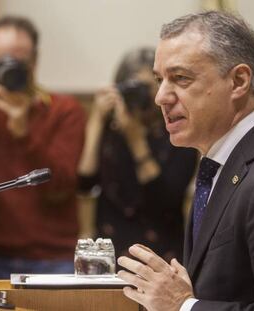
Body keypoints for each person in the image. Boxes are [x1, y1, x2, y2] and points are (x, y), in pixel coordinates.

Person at [117, 11, 254, 311]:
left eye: (180, 78)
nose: (160, 97)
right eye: (160, 80)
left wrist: (183, 306)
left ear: (238, 81)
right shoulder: (220, 167)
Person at [0, 16, 85, 278]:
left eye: (19, 60)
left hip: (54, 258)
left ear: (35, 61)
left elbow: (61, 187)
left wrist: (23, 132)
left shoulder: (65, 111)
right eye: (2, 61)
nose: (12, 69)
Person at [78, 47, 197, 262]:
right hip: (110, 252)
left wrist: (136, 140)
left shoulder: (178, 133)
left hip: (161, 253)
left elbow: (165, 200)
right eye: (132, 87)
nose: (139, 96)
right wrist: (96, 121)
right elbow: (85, 182)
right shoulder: (109, 127)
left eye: (146, 87)